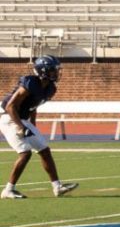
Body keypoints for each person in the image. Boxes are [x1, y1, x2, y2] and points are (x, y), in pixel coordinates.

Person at [1, 55, 77, 198]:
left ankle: (57, 187)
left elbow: (33, 106)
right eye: (53, 70)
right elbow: (10, 106)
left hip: (22, 118)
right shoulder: (30, 82)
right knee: (25, 153)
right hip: (8, 117)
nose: (56, 73)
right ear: (43, 71)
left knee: (44, 151)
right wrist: (20, 126)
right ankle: (8, 190)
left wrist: (32, 126)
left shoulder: (50, 88)